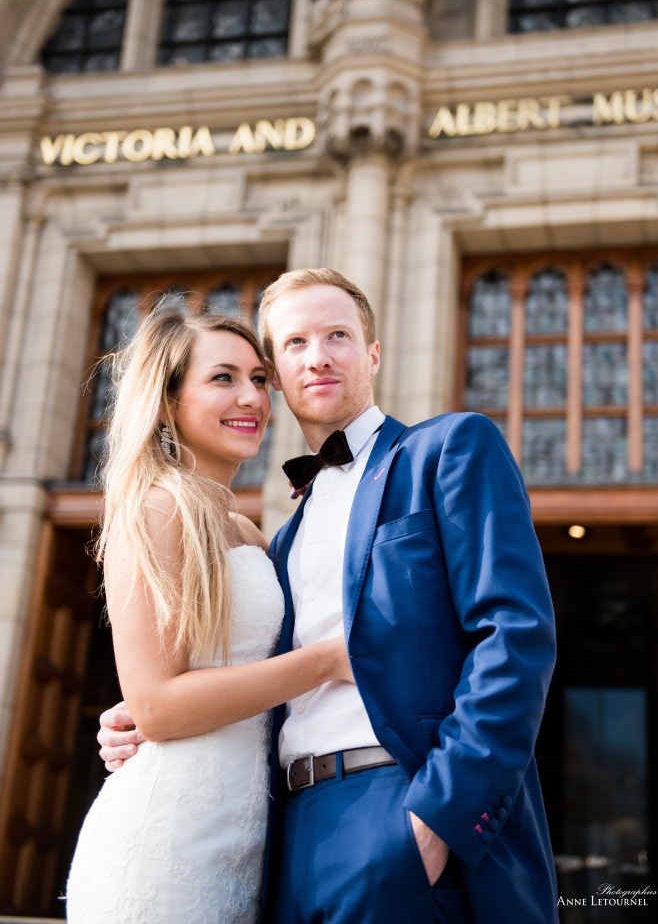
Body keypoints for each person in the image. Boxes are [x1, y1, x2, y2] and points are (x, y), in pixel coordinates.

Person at [99, 269, 559, 924]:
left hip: (403, 810)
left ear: (371, 353)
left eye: (337, 335)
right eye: (293, 344)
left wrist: (439, 822)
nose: (317, 356)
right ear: (278, 376)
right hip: (280, 840)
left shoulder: (449, 449)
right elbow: (242, 667)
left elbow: (517, 639)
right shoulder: (278, 542)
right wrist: (142, 714)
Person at [66, 307, 352, 924]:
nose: (250, 396)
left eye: (257, 378)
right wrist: (329, 661)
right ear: (168, 402)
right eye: (223, 378)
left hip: (244, 837)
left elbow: (225, 671)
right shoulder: (155, 506)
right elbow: (160, 707)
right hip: (167, 840)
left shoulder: (245, 529)